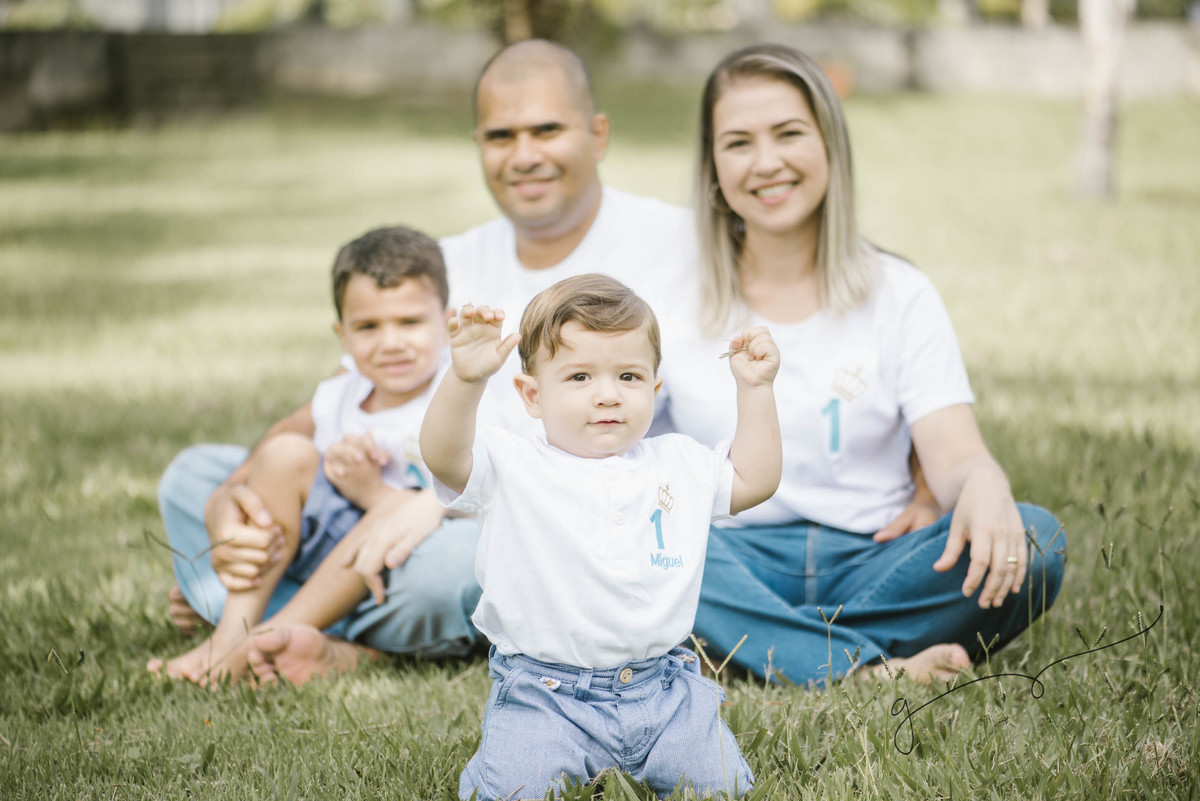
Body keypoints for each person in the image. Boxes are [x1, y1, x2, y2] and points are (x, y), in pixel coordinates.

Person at [155, 39, 700, 684]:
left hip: (500, 516)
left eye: (547, 130)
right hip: (366, 502)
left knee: (463, 570)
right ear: (478, 144)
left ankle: (269, 620)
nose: (524, 155)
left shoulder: (672, 244)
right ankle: (289, 616)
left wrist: (435, 500)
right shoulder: (446, 263)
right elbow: (328, 405)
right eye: (501, 136)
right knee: (193, 476)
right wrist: (232, 498)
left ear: (597, 133)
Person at [656, 43, 1066, 686]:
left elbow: (955, 456)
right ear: (712, 165)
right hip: (727, 555)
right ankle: (864, 667)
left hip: (875, 557)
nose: (766, 162)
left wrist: (984, 480)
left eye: (788, 134)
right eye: (738, 143)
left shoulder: (901, 292)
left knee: (1034, 541)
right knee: (646, 544)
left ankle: (758, 646)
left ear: (830, 144)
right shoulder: (669, 299)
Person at [421, 274, 778, 800]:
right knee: (515, 792)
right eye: (580, 376)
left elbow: (755, 480)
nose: (608, 394)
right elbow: (443, 456)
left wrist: (756, 390)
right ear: (532, 395)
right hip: (544, 694)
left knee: (720, 787)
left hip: (663, 690)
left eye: (629, 376)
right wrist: (464, 380)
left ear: (654, 389)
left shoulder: (678, 463)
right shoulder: (511, 464)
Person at [149, 226, 478, 684]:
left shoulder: (456, 393)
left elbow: (456, 501)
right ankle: (232, 632)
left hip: (396, 558)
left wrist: (371, 491)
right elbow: (292, 476)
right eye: (368, 327)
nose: (391, 342)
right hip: (317, 542)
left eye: (409, 322)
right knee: (282, 454)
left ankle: (269, 632)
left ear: (447, 323)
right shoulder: (337, 395)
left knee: (432, 536)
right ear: (342, 335)